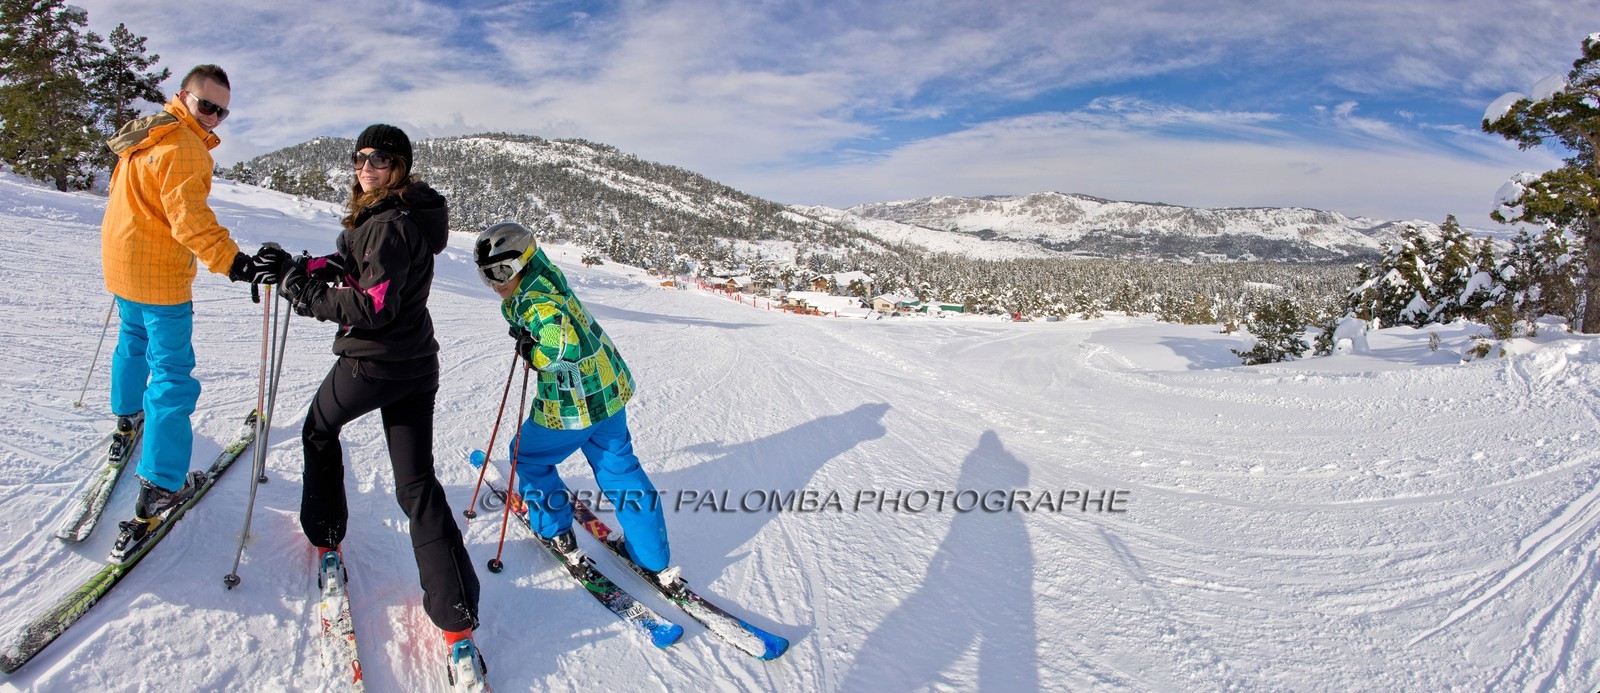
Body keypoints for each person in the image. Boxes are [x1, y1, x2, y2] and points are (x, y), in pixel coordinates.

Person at [277, 124, 485, 683]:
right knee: (417, 486)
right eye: (361, 157)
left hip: (373, 365)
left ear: (401, 166)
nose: (367, 166)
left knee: (319, 429)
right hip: (416, 366)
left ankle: (325, 534)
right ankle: (457, 619)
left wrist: (309, 296)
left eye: (381, 159)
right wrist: (310, 268)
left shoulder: (388, 224)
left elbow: (372, 305)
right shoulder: (404, 215)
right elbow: (361, 267)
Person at [101, 64, 289, 560]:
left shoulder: (147, 133)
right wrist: (237, 263)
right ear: (182, 96)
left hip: (123, 266)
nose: (214, 118)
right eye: (206, 105)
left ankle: (126, 419)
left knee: (131, 341)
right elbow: (191, 221)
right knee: (172, 375)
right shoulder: (184, 148)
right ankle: (160, 484)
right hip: (158, 276)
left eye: (223, 111)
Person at [472, 221, 678, 594]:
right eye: (486, 275)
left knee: (527, 456)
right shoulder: (544, 274)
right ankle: (653, 558)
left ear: (524, 260)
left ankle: (556, 532)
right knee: (619, 468)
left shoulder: (536, 302)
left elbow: (557, 346)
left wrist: (533, 351)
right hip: (607, 388)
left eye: (502, 272)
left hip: (571, 405)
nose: (496, 283)